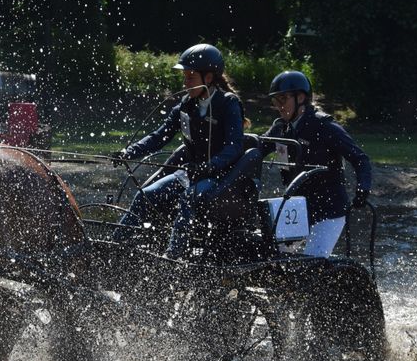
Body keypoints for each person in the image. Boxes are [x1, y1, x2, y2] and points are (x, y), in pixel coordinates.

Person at [111, 43, 247, 258]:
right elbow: (159, 137)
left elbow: (235, 147)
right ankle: (114, 246)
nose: (185, 83)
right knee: (145, 195)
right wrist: (129, 151)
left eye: (190, 77)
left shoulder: (228, 104)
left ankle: (173, 256)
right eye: (185, 77)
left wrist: (209, 166)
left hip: (222, 178)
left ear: (209, 78)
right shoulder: (186, 105)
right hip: (191, 174)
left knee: (189, 198)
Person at [263, 70, 372, 257]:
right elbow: (256, 149)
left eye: (283, 100)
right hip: (296, 207)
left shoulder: (325, 127)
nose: (279, 107)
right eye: (276, 102)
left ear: (301, 98)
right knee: (273, 256)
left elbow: (360, 158)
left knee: (314, 261)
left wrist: (363, 187)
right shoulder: (280, 128)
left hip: (329, 209)